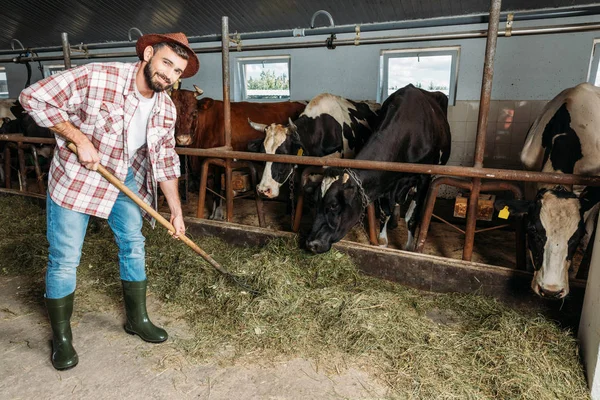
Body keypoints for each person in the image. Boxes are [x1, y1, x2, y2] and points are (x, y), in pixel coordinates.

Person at [19, 32, 200, 370]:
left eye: (177, 71)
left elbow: (164, 157)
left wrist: (176, 212)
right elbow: (32, 97)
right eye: (166, 63)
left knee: (134, 242)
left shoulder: (164, 106)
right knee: (65, 258)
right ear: (148, 54)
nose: (170, 75)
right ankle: (61, 339)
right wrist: (76, 137)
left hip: (124, 175)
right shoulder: (98, 76)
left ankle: (137, 319)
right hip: (76, 177)